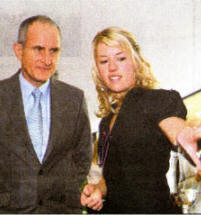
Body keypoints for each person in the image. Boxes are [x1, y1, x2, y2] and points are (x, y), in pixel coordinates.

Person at [0, 15, 92, 213]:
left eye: (54, 51)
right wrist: (3, 197)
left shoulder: (74, 99)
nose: (47, 59)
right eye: (38, 49)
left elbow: (83, 157)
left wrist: (59, 194)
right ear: (19, 50)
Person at [80, 27, 201, 213]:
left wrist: (185, 134)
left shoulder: (154, 100)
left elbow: (174, 126)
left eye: (121, 58)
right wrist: (98, 190)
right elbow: (112, 177)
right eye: (104, 61)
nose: (112, 67)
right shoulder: (105, 123)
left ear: (136, 62)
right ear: (98, 71)